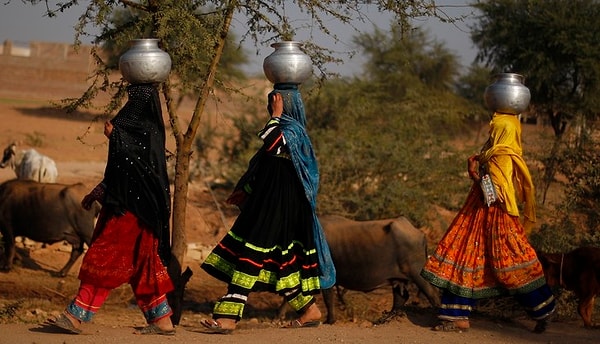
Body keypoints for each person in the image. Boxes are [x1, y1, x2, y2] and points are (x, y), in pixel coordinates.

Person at [200, 84, 336, 334]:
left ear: (286, 104)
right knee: (280, 263)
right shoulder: (283, 130)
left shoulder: (294, 132)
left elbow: (273, 145)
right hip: (269, 207)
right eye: (271, 101)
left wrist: (276, 116)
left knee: (250, 258)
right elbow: (267, 169)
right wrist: (246, 190)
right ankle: (309, 310)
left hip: (282, 210)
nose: (271, 105)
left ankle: (228, 318)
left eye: (276, 101)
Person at [45, 83, 175, 335]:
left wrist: (115, 136)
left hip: (132, 214)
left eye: (136, 99)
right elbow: (122, 170)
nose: (131, 103)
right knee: (141, 266)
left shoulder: (146, 133)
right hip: (134, 211)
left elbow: (137, 168)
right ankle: (162, 321)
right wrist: (98, 192)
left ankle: (75, 316)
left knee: (102, 260)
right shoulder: (137, 131)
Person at [420, 111, 556, 333]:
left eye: (494, 131)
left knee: (507, 263)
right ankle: (457, 317)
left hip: (495, 216)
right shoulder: (502, 151)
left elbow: (492, 195)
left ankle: (544, 309)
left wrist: (473, 173)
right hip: (480, 214)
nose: (490, 133)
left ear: (502, 132)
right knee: (466, 255)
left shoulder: (500, 155)